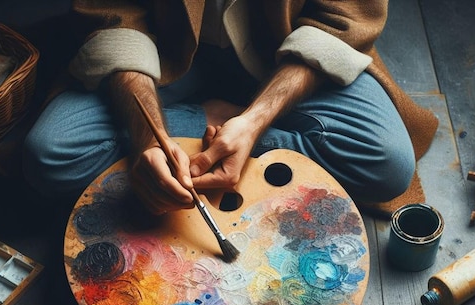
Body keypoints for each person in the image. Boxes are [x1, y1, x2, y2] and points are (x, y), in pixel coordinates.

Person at [23, 1, 438, 215]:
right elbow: (113, 13)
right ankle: (204, 121)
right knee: (49, 155)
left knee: (387, 162)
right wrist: (146, 139)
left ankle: (227, 127)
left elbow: (342, 17)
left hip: (287, 51)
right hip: (164, 54)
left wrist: (254, 121)